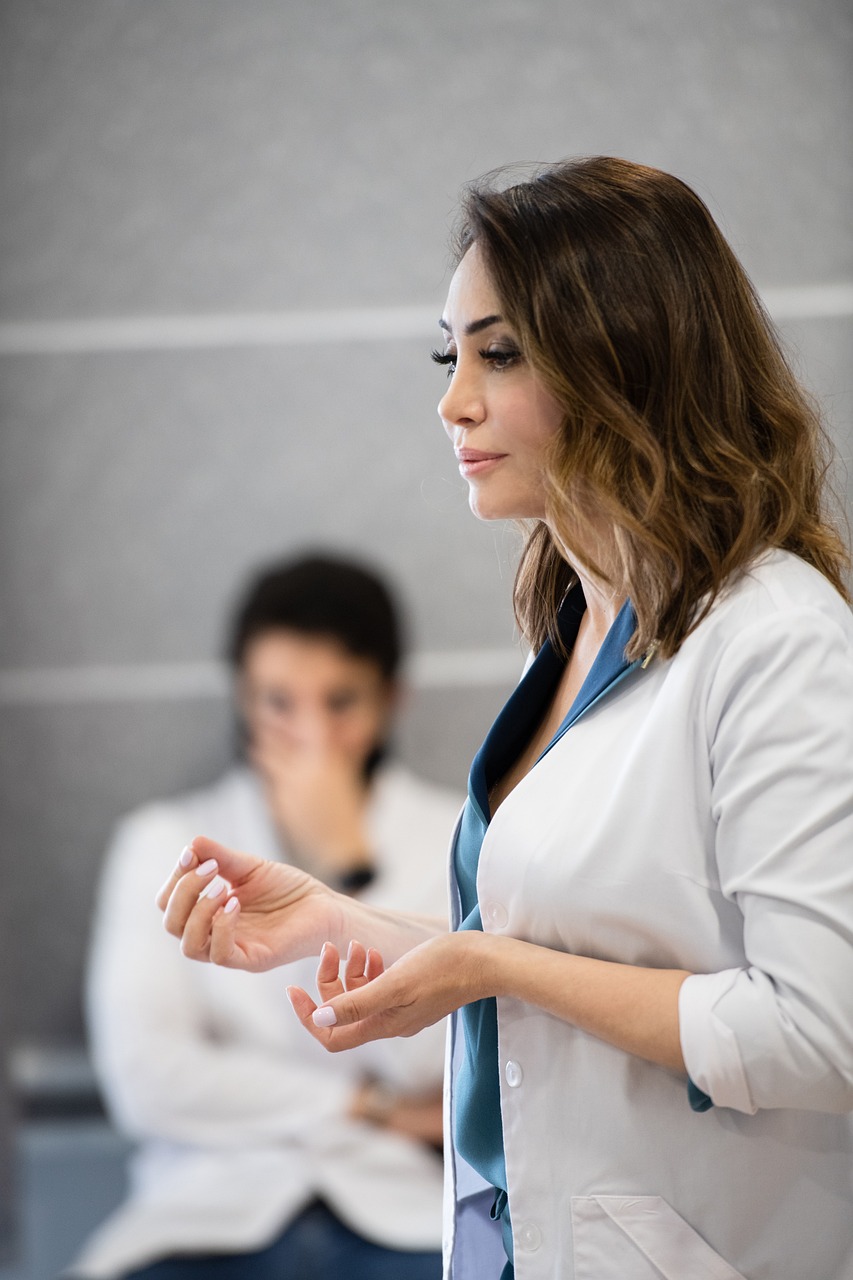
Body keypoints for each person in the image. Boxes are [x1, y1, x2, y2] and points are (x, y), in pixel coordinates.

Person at [156, 158, 853, 1280]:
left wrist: (494, 963)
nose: (453, 402)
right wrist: (331, 922)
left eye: (499, 353)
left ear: (626, 355)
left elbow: (820, 1035)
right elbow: (552, 953)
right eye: (450, 355)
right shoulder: (577, 626)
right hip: (509, 1237)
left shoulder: (774, 634)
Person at [73, 554, 462, 1280]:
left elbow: (445, 1065)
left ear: (389, 700)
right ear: (243, 703)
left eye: (340, 702)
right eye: (278, 702)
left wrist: (347, 865)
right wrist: (371, 1108)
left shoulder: (456, 839)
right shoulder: (162, 841)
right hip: (205, 1220)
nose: (309, 735)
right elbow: (149, 1079)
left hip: (400, 1221)